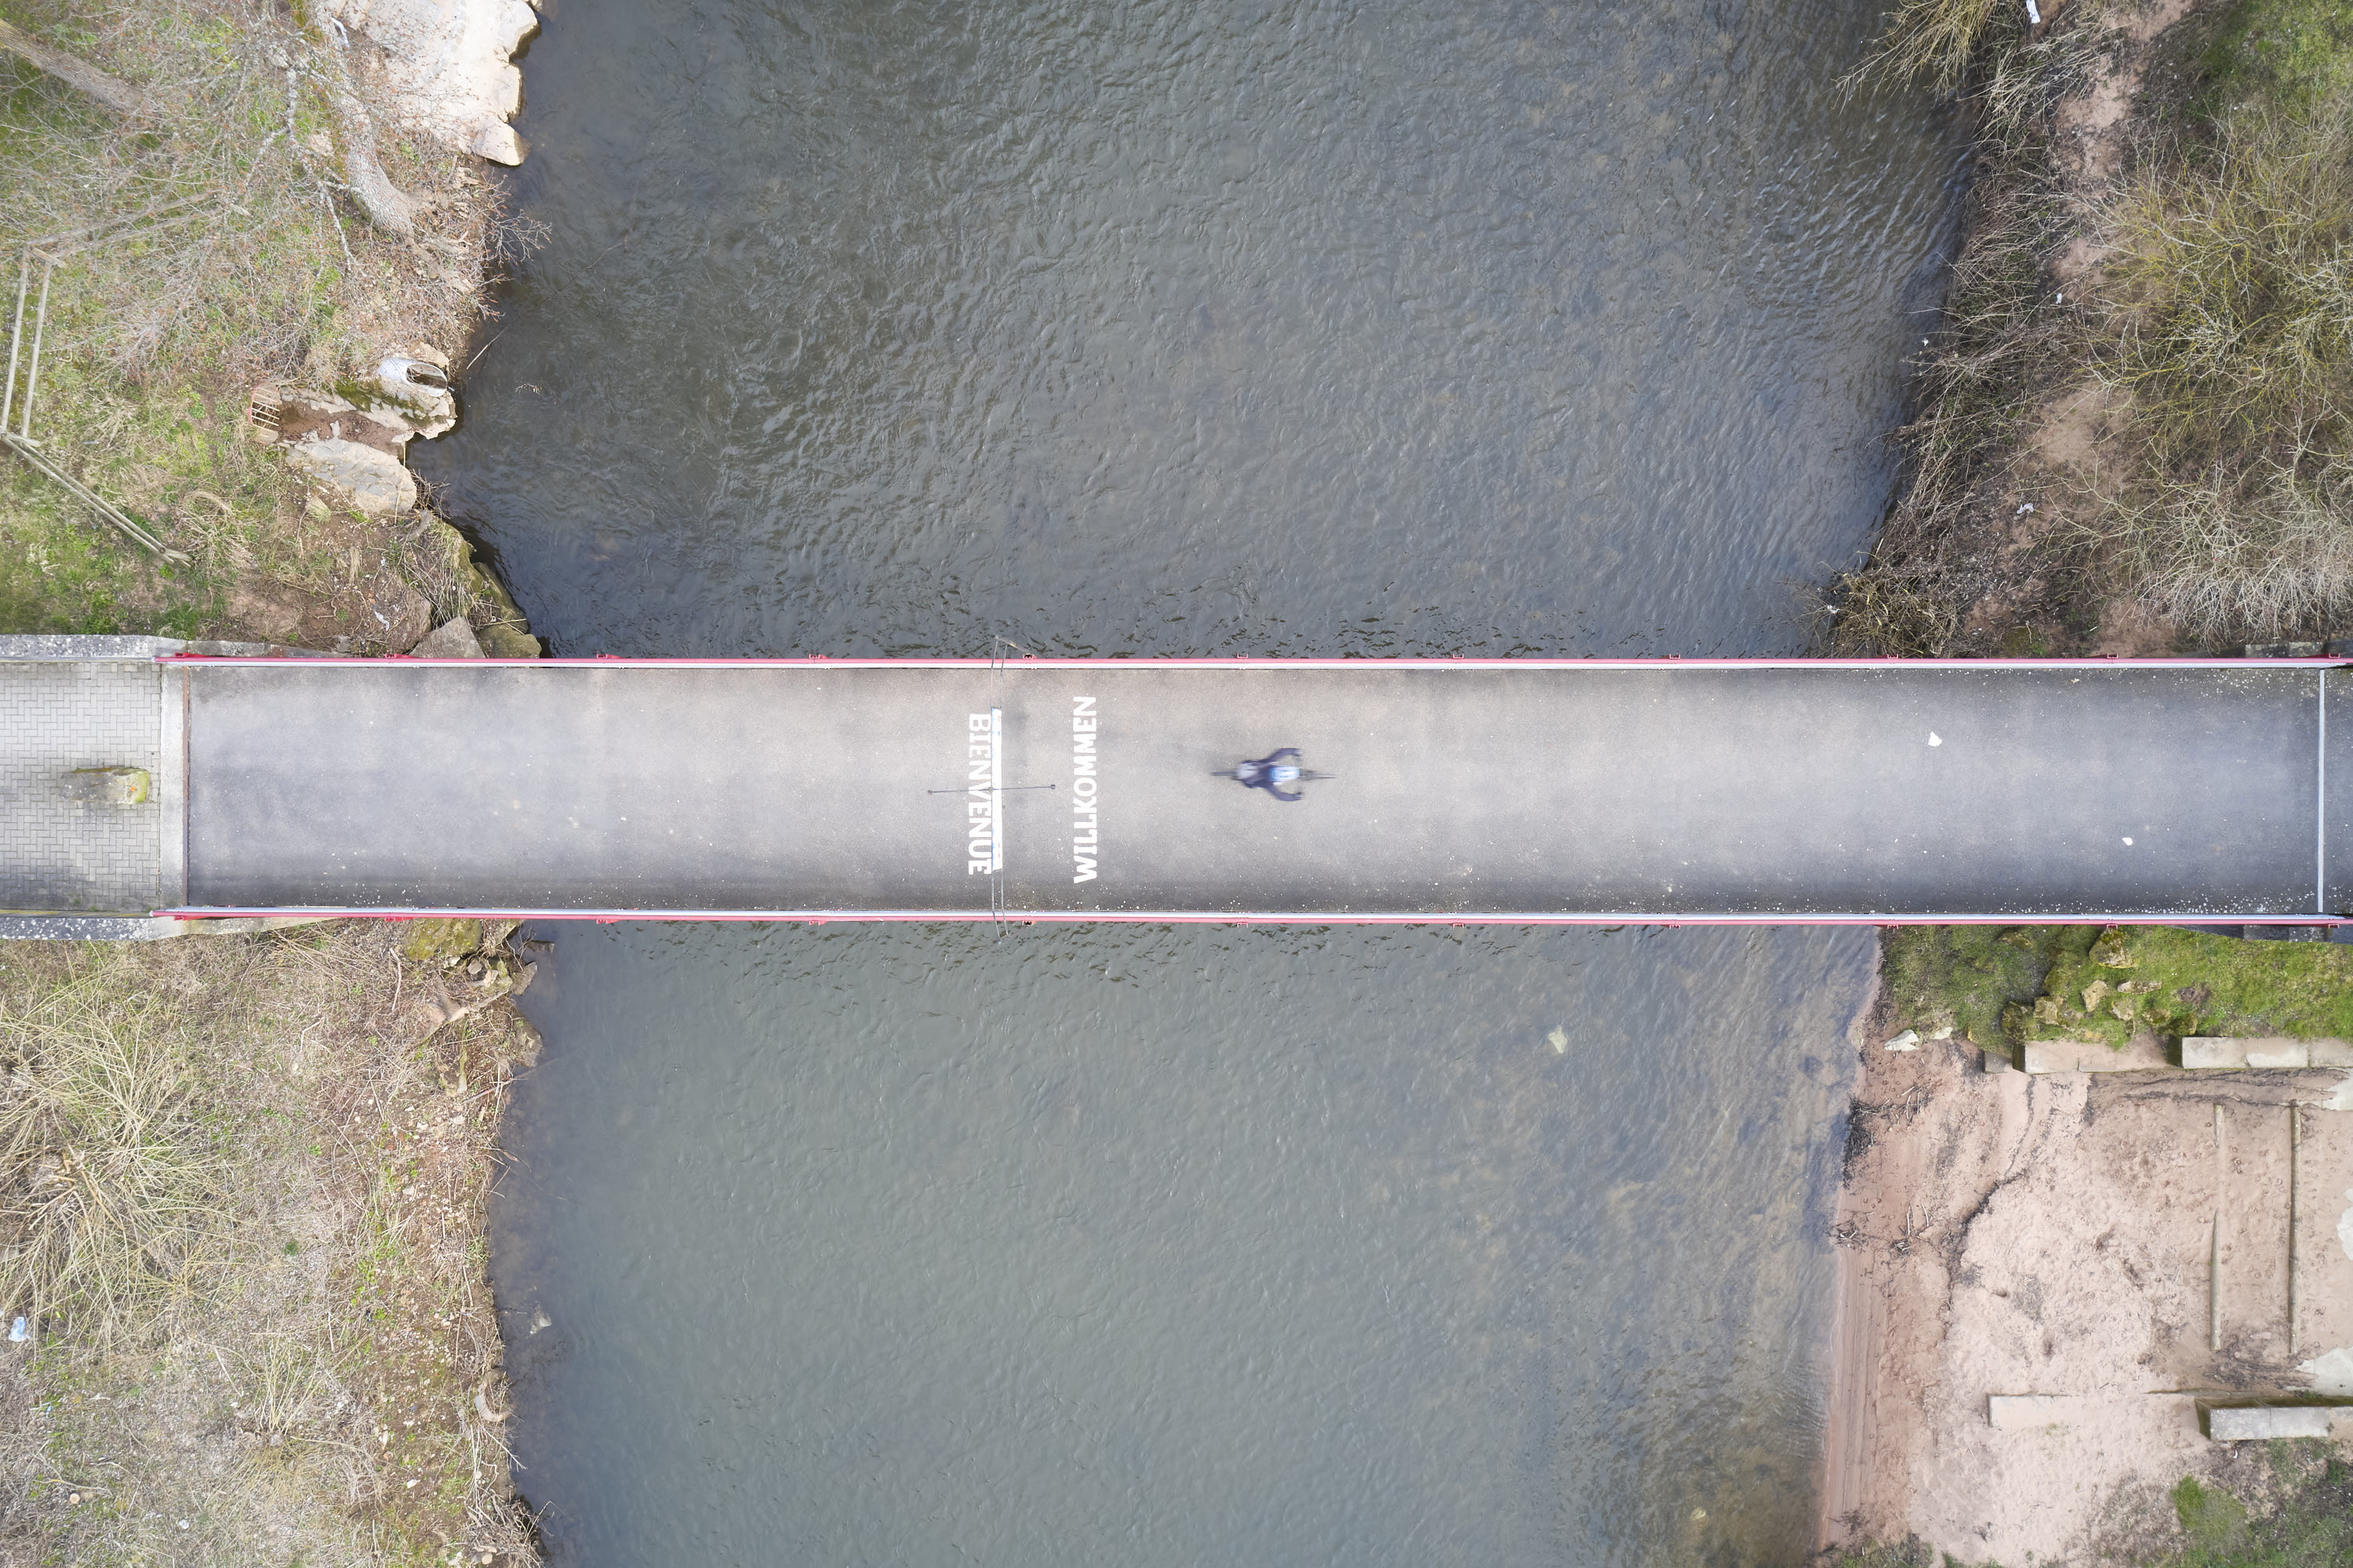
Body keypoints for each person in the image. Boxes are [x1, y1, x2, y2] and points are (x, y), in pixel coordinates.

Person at [1231, 748, 1304, 801]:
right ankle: (1238, 778)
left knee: (1258, 763)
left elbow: (1281, 752)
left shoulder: (1270, 762)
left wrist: (1294, 751)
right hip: (1247, 782)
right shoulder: (1269, 785)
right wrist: (1295, 797)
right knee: (1253, 784)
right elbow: (1280, 796)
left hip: (1246, 764)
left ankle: (1239, 775)